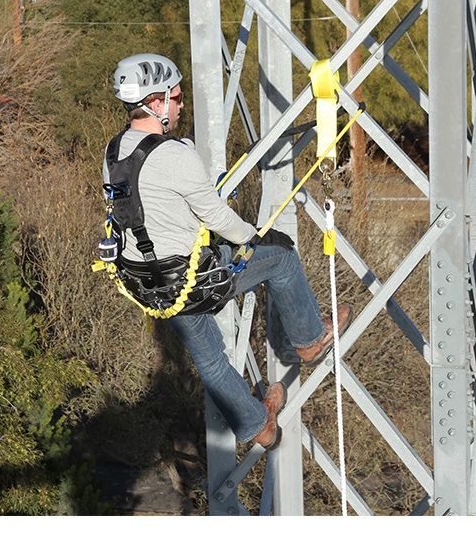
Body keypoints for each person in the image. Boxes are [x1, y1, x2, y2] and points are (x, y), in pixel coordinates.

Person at [103, 53, 352, 451]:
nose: (181, 105)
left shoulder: (114, 151)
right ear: (155, 103)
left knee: (210, 359)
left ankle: (258, 426)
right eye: (177, 97)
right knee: (281, 255)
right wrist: (252, 237)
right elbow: (219, 218)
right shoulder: (175, 154)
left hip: (150, 286)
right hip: (192, 281)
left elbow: (152, 203)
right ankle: (308, 339)